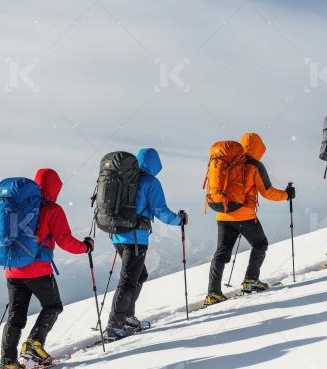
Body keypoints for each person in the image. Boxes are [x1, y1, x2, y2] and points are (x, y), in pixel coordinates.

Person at [0, 169, 93, 369]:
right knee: (53, 306)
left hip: (12, 270)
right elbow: (66, 241)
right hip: (38, 269)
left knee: (16, 316)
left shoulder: (16, 205)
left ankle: (7, 362)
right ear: (55, 188)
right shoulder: (52, 209)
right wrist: (85, 247)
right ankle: (34, 343)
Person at [105, 148, 185, 341]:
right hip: (135, 238)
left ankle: (127, 317)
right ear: (154, 164)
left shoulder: (123, 178)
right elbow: (161, 211)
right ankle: (115, 325)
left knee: (140, 275)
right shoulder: (150, 182)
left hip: (117, 235)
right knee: (128, 281)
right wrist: (179, 220)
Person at [205, 132, 294, 306]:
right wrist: (287, 195)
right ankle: (251, 280)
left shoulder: (228, 161)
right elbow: (268, 192)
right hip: (244, 215)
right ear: (258, 148)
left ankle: (213, 293)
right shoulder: (254, 165)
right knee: (260, 244)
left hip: (222, 213)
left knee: (221, 253)